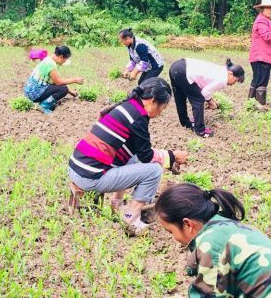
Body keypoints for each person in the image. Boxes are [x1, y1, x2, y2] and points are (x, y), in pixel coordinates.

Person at [68, 78, 188, 236]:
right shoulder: (138, 118)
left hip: (78, 167)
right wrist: (172, 156)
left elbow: (139, 151)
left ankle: (115, 205)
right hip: (90, 176)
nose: (160, 114)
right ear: (152, 101)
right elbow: (146, 157)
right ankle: (130, 218)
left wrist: (168, 159)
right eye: (162, 108)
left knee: (132, 157)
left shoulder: (127, 108)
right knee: (154, 171)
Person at [168, 57, 245, 137]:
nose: (233, 83)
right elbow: (205, 92)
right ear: (230, 73)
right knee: (198, 100)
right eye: (235, 80)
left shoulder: (222, 70)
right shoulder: (223, 79)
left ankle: (185, 123)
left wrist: (210, 100)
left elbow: (202, 83)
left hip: (176, 66)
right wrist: (210, 102)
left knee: (180, 96)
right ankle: (201, 131)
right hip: (184, 71)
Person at [23, 45, 84, 114]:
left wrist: (71, 92)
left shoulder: (48, 59)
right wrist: (74, 80)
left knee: (63, 88)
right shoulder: (51, 65)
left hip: (29, 91)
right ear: (61, 57)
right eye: (65, 60)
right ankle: (44, 106)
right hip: (34, 93)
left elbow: (53, 82)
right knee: (63, 89)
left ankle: (44, 102)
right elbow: (58, 82)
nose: (64, 62)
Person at [248, 0, 271, 105]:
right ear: (262, 9)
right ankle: (258, 105)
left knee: (258, 80)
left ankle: (252, 104)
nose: (270, 10)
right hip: (260, 56)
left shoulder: (269, 21)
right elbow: (267, 36)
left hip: (265, 56)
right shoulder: (261, 21)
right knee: (261, 81)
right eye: (268, 8)